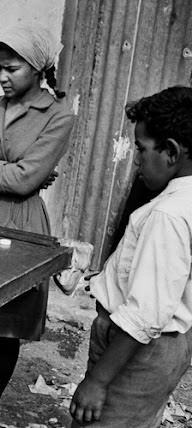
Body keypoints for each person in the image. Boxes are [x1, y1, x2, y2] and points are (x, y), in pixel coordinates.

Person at [0, 24, 75, 428]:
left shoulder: (59, 116)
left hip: (21, 224)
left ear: (38, 68)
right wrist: (14, 172)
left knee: (8, 324)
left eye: (11, 68)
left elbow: (20, 180)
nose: (3, 77)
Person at [70, 86, 192, 427]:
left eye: (141, 149)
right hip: (168, 347)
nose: (136, 160)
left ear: (170, 152)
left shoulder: (167, 215)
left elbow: (146, 312)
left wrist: (97, 381)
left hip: (137, 353)